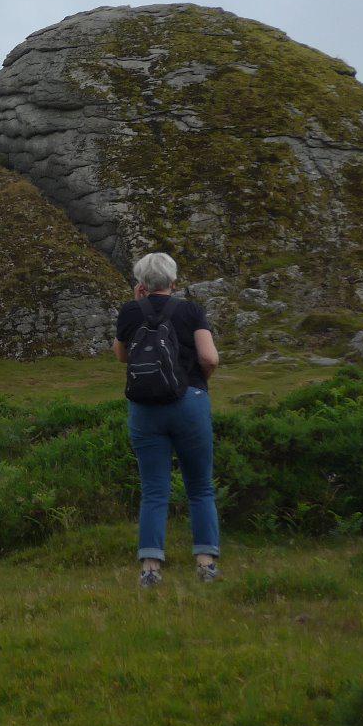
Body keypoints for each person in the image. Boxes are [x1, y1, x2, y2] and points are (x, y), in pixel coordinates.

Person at [113, 251, 222, 588]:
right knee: (201, 487)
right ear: (174, 282)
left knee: (154, 490)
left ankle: (150, 568)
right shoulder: (191, 310)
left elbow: (121, 356)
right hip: (190, 402)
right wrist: (197, 384)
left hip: (145, 408)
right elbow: (209, 357)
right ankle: (205, 563)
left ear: (141, 283)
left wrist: (136, 305)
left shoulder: (130, 312)